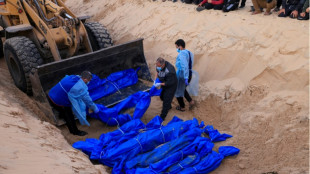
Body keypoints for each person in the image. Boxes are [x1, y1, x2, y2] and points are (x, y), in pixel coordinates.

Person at [48, 71, 99, 136]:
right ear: (85, 79)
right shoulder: (79, 87)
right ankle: (74, 131)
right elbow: (88, 100)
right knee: (69, 116)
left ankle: (61, 115)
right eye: (89, 80)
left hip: (50, 94)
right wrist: (95, 108)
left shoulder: (72, 77)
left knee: (63, 111)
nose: (89, 82)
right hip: (58, 101)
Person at [174, 39, 195, 112]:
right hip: (189, 73)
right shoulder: (189, 52)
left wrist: (185, 77)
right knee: (182, 89)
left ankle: (182, 107)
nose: (176, 49)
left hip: (183, 74)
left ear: (180, 46)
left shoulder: (182, 54)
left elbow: (184, 66)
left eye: (177, 47)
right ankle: (191, 101)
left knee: (178, 90)